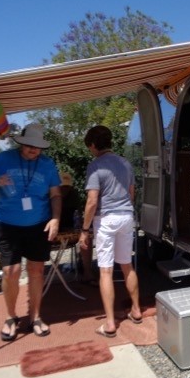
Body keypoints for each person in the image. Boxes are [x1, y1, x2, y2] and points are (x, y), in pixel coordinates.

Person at [0, 123, 61, 341]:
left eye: (37, 146)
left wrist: (55, 219)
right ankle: (11, 317)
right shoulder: (4, 159)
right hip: (8, 224)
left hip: (38, 225)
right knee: (11, 271)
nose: (33, 149)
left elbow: (55, 194)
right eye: (29, 145)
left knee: (36, 271)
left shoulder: (47, 164)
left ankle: (35, 316)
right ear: (21, 143)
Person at [78, 125, 141, 338]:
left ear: (93, 145)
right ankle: (136, 310)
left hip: (106, 219)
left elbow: (92, 201)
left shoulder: (95, 166)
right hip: (126, 216)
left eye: (90, 147)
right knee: (127, 265)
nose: (90, 151)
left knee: (105, 270)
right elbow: (131, 194)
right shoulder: (125, 163)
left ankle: (110, 323)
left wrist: (84, 229)